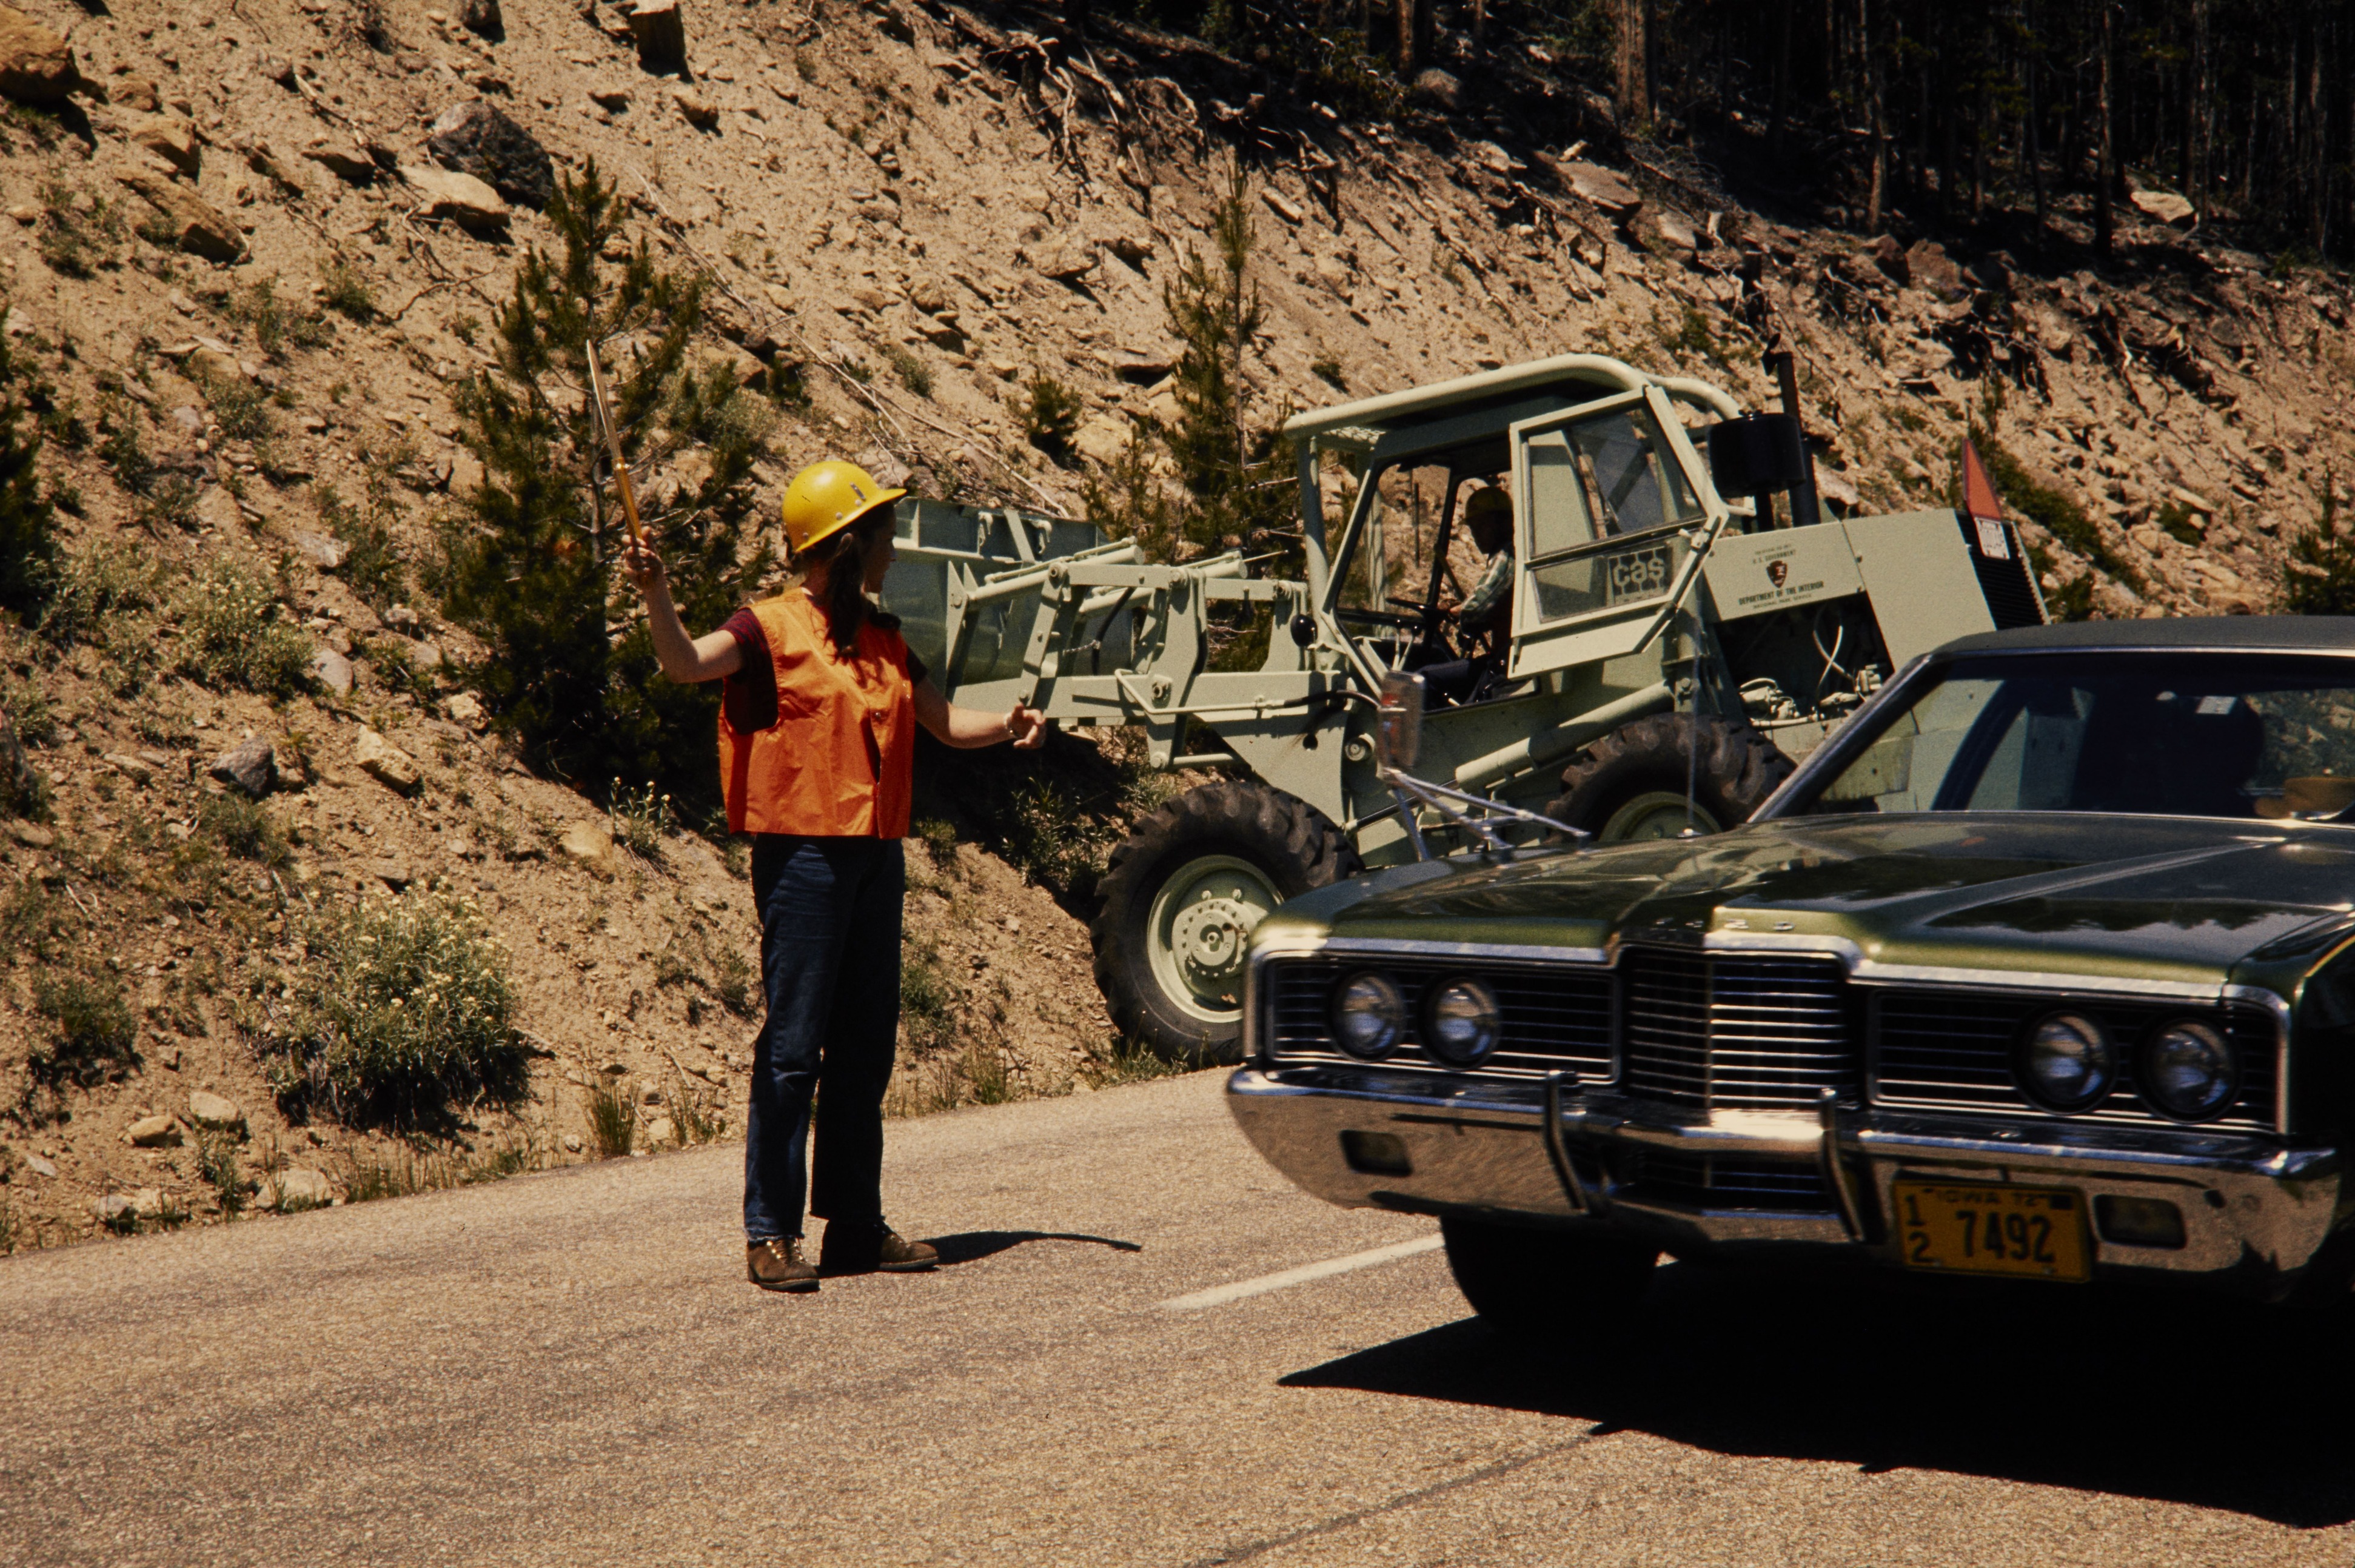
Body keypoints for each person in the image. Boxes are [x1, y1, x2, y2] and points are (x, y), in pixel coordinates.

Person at [621, 458, 1047, 1294]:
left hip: (875, 857)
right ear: (849, 546)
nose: (893, 548)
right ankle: (770, 1231)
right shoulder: (764, 629)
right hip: (803, 859)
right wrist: (655, 593)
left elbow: (946, 721)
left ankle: (853, 1223)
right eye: (883, 534)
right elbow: (681, 662)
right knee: (791, 1050)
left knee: (863, 1049)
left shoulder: (885, 638)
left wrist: (1009, 722)